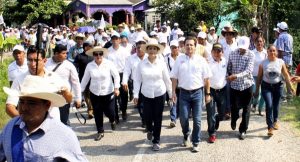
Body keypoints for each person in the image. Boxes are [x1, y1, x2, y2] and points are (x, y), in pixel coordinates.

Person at [0, 75, 88, 161]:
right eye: (21, 102)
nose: (24, 108)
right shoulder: (10, 128)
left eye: (31, 103)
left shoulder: (64, 135)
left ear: (47, 105)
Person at [5, 46, 72, 120]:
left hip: (52, 123)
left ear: (44, 61)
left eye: (36, 60)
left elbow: (68, 99)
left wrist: (65, 93)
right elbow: (9, 107)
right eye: (30, 60)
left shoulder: (54, 77)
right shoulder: (19, 79)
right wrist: (23, 120)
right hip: (28, 127)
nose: (33, 64)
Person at [170, 36, 212, 152]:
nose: (189, 47)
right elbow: (174, 77)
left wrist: (207, 94)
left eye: (191, 45)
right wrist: (173, 92)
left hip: (197, 93)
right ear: (184, 46)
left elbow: (207, 78)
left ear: (195, 46)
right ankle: (186, 133)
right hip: (183, 93)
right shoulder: (179, 59)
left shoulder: (201, 60)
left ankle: (195, 141)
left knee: (197, 120)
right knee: (183, 118)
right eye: (187, 45)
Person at [133, 39, 172, 151]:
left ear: (157, 50)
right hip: (146, 93)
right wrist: (135, 95)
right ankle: (150, 129)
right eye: (150, 48)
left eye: (154, 48)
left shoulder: (162, 63)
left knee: (158, 117)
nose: (152, 50)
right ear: (147, 50)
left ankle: (156, 140)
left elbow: (167, 79)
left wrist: (171, 94)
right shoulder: (141, 64)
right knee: (147, 116)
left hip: (160, 93)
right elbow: (137, 80)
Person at [254, 45, 295, 137]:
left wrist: (291, 87)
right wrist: (257, 90)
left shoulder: (281, 62)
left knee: (276, 104)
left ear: (276, 52)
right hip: (266, 87)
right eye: (270, 51)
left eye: (274, 51)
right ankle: (270, 126)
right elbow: (259, 77)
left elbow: (286, 75)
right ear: (267, 52)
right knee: (269, 105)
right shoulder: (263, 63)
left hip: (278, 86)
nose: (272, 52)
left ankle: (275, 120)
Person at [81, 46, 120, 141]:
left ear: (103, 54)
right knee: (97, 112)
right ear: (93, 55)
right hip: (95, 93)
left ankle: (112, 120)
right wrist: (79, 94)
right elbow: (85, 80)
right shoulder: (90, 66)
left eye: (100, 54)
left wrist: (116, 88)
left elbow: (116, 76)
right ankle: (100, 131)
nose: (98, 56)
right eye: (96, 54)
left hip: (108, 92)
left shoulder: (109, 63)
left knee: (110, 111)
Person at [46, 44, 82, 125]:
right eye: (63, 53)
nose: (66, 55)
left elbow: (76, 82)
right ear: (56, 53)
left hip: (64, 99)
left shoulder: (69, 65)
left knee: (63, 122)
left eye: (66, 53)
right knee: (49, 122)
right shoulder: (46, 63)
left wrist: (78, 99)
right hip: (49, 98)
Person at [227, 36, 254, 140]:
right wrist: (229, 74)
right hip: (234, 86)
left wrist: (236, 75)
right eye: (241, 47)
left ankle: (243, 130)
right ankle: (234, 119)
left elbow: (249, 70)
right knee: (234, 107)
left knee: (247, 109)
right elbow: (229, 67)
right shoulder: (232, 54)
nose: (242, 49)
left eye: (244, 47)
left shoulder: (251, 55)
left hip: (247, 85)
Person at [122, 39, 148, 128]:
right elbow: (126, 71)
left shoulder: (150, 56)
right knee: (140, 103)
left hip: (148, 83)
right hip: (136, 83)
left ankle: (148, 118)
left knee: (148, 103)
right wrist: (124, 81)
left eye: (142, 48)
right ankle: (144, 120)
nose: (140, 49)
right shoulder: (130, 58)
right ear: (135, 48)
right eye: (138, 48)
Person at [206, 43, 227, 143]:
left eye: (219, 51)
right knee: (211, 113)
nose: (217, 53)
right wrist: (207, 93)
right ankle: (212, 133)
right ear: (212, 52)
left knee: (222, 114)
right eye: (215, 51)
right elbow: (206, 79)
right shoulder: (208, 63)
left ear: (222, 52)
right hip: (211, 91)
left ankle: (216, 121)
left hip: (222, 91)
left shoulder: (225, 61)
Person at [107, 33, 131, 122]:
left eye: (116, 39)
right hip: (112, 76)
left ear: (119, 40)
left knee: (124, 95)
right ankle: (115, 115)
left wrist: (127, 77)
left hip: (122, 75)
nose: (115, 41)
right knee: (113, 97)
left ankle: (124, 111)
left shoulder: (124, 51)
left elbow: (128, 65)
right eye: (113, 39)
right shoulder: (108, 51)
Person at [74, 41, 94, 118]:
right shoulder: (79, 56)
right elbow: (75, 67)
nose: (91, 47)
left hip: (94, 79)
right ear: (85, 47)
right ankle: (90, 110)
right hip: (83, 79)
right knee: (87, 96)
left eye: (92, 46)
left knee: (93, 95)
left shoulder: (94, 56)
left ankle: (95, 109)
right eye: (90, 46)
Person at [164, 40, 182, 128]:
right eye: (172, 47)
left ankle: (178, 114)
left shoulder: (182, 57)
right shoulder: (166, 58)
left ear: (178, 48)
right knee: (173, 99)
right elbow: (166, 70)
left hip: (182, 82)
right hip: (171, 81)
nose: (174, 49)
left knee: (180, 100)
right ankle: (173, 119)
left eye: (175, 47)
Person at [251, 36, 267, 116]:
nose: (259, 43)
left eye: (261, 41)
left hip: (264, 76)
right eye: (258, 42)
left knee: (264, 93)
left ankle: (260, 109)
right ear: (255, 43)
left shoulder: (266, 53)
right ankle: (254, 104)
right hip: (253, 76)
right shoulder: (252, 53)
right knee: (255, 91)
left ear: (263, 42)